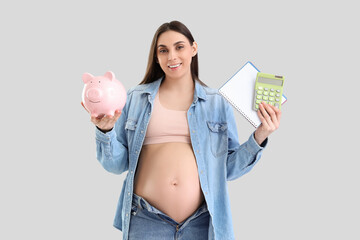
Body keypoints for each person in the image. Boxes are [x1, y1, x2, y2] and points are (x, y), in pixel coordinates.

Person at [84, 20, 281, 240]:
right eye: (163, 50)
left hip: (201, 223)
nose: (172, 57)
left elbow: (228, 169)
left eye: (179, 47)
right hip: (146, 220)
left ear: (193, 49)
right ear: (156, 57)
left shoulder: (217, 103)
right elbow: (116, 165)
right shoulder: (135, 98)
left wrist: (260, 135)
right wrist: (106, 131)